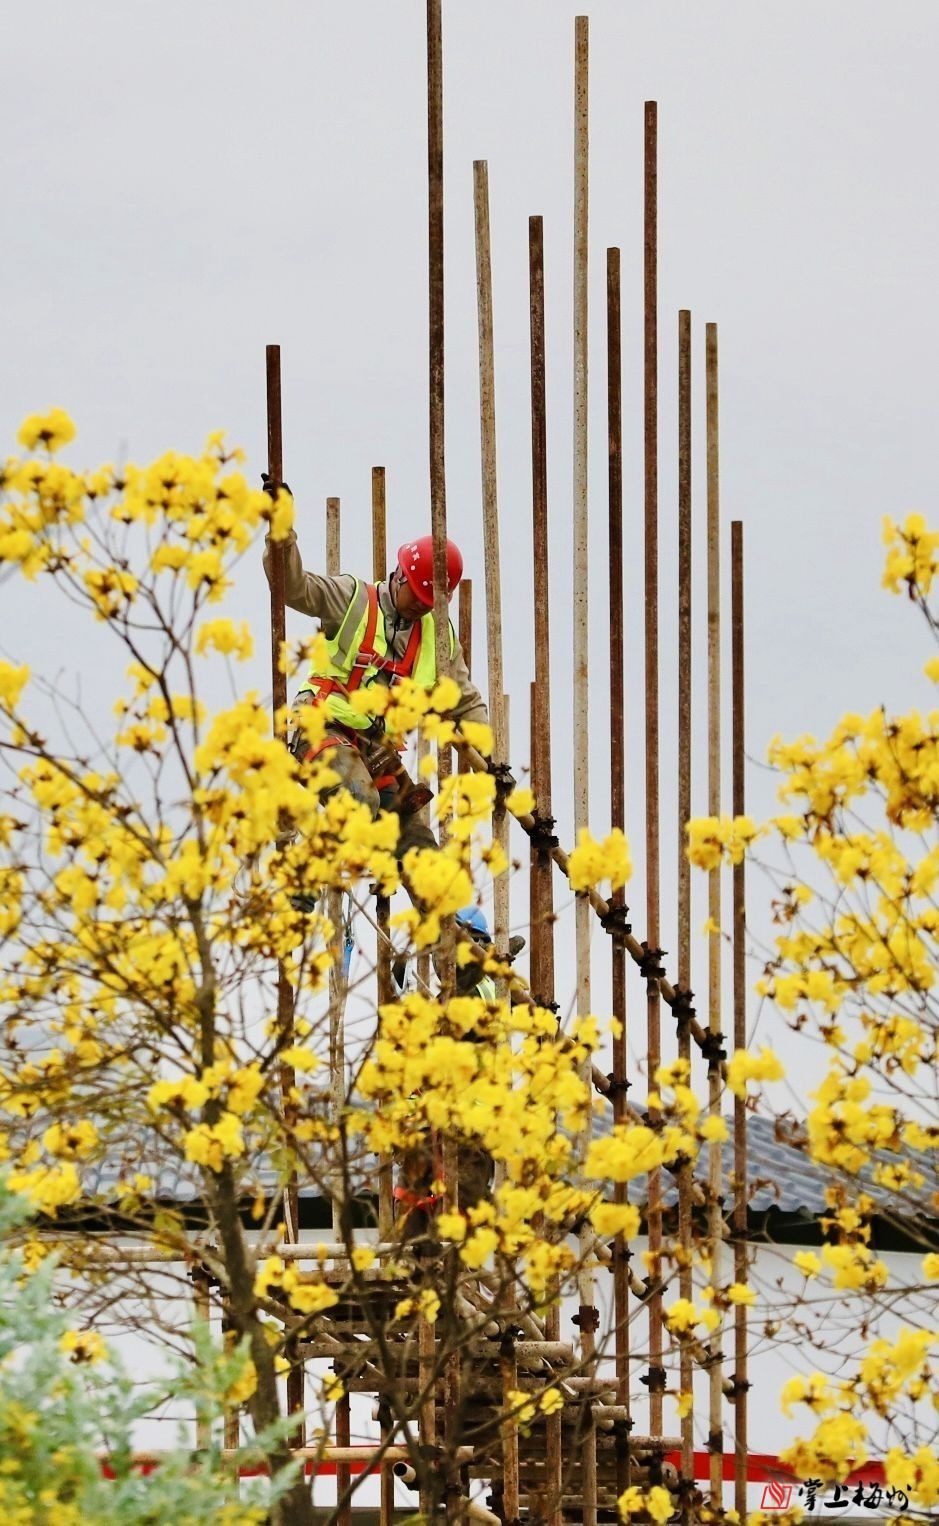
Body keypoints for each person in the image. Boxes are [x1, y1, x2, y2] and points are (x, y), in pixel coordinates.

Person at [262, 511, 488, 859]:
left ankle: (442, 914)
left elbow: (465, 702)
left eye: (427, 604)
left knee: (419, 845)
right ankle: (301, 881)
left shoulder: (436, 638)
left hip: (373, 751)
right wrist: (282, 535)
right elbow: (292, 587)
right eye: (414, 595)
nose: (418, 608)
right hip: (320, 723)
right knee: (359, 798)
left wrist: (491, 760)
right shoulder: (353, 600)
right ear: (398, 576)